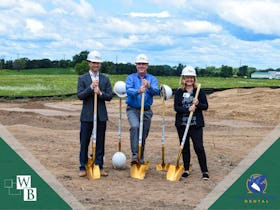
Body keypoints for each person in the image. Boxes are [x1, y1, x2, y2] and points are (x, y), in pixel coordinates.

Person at [77, 50, 113, 177]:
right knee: (84, 141)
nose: (96, 65)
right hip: (87, 115)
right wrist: (90, 88)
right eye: (93, 63)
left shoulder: (105, 79)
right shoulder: (82, 79)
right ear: (89, 63)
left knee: (100, 142)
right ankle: (83, 166)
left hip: (101, 115)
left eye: (97, 63)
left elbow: (110, 96)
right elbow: (80, 95)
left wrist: (100, 93)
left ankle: (99, 165)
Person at [174, 65, 209, 180]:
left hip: (195, 125)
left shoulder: (199, 91)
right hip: (182, 125)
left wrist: (198, 103)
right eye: (187, 77)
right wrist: (187, 109)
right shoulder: (179, 92)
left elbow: (205, 106)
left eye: (191, 77)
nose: (189, 80)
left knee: (199, 147)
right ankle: (186, 169)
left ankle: (204, 171)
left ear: (194, 79)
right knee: (185, 148)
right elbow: (176, 107)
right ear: (183, 78)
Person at [125, 54, 159, 165]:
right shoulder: (130, 78)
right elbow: (128, 91)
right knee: (135, 127)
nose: (141, 66)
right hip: (133, 109)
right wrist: (138, 91)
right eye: (139, 64)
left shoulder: (152, 79)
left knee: (143, 134)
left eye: (143, 64)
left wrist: (149, 86)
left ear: (147, 65)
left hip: (147, 111)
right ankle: (135, 155)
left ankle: (141, 156)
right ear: (136, 65)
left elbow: (156, 91)